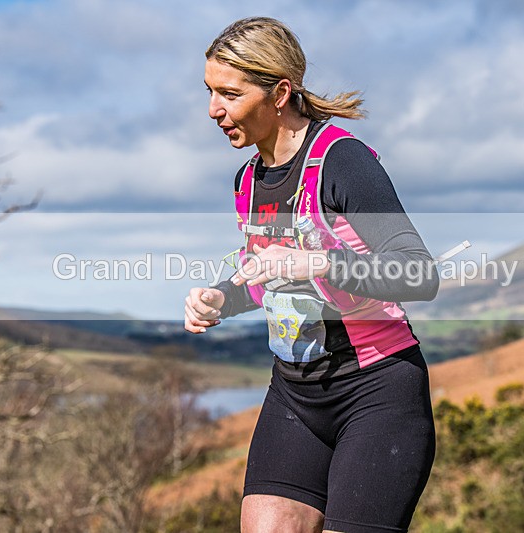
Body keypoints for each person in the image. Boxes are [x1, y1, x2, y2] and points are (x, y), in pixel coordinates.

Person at [185, 17, 439, 533]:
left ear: (279, 93)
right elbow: (264, 272)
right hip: (295, 396)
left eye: (229, 94)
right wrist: (221, 297)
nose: (214, 109)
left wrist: (320, 261)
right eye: (210, 92)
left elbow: (418, 275)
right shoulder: (249, 179)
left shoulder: (344, 162)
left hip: (376, 393)